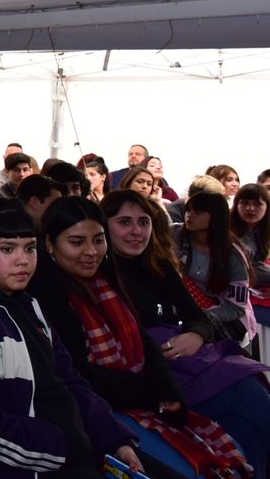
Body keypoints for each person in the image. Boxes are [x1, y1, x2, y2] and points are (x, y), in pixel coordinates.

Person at [0, 200, 141, 478]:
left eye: (30, 248)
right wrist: (60, 448)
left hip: (78, 453)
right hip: (28, 466)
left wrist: (114, 440)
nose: (22, 260)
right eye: (7, 249)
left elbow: (70, 381)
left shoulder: (28, 304)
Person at [30, 196, 249, 477]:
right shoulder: (46, 294)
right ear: (49, 244)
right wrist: (152, 390)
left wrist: (166, 388)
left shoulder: (104, 278)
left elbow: (140, 336)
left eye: (98, 240)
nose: (91, 251)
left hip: (142, 393)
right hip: (95, 410)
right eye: (76, 242)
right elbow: (77, 373)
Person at [102, 189, 270, 478]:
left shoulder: (159, 264)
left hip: (198, 359)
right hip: (167, 373)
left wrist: (196, 335)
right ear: (104, 225)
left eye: (143, 222)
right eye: (125, 222)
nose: (136, 231)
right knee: (254, 404)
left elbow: (196, 315)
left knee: (250, 432)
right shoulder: (101, 273)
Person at [176, 190, 256, 345]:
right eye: (188, 210)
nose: (189, 215)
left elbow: (236, 308)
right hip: (189, 310)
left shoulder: (232, 255)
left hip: (227, 317)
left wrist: (201, 316)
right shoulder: (175, 234)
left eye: (198, 211)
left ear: (216, 216)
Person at [231, 183, 270, 287]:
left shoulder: (264, 229)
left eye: (257, 204)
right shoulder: (227, 229)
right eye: (244, 203)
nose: (250, 208)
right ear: (236, 205)